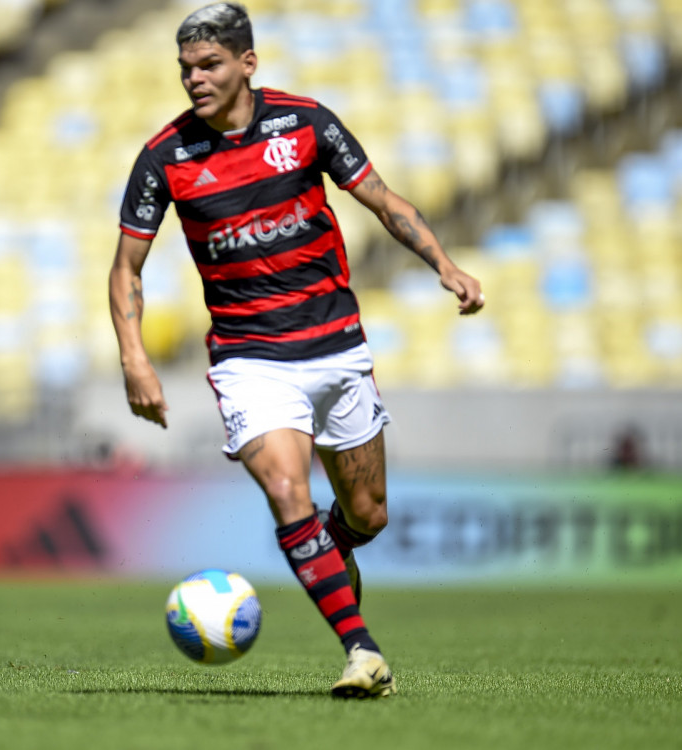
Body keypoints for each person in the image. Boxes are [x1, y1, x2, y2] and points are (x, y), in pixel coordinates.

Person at [108, 2, 484, 699]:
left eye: (210, 64)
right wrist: (135, 357)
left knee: (367, 515)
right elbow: (126, 267)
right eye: (186, 68)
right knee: (288, 490)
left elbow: (383, 201)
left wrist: (445, 265)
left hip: (336, 348)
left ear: (248, 64)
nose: (195, 78)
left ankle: (326, 551)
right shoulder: (165, 157)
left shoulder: (306, 122)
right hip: (250, 361)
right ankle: (361, 651)